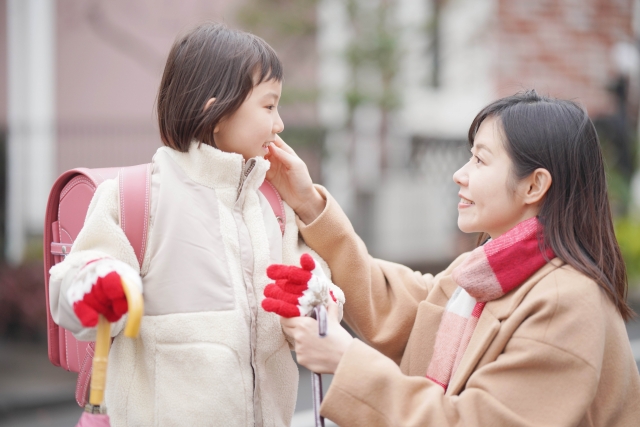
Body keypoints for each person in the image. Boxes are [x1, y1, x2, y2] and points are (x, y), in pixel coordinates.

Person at [262, 90, 640, 426]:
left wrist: (346, 361)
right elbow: (398, 307)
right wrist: (308, 202)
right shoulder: (484, 275)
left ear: (534, 185)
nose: (460, 174)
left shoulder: (565, 303)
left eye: (480, 160)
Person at [48, 23, 342, 426]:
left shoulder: (271, 202)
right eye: (269, 106)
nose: (279, 124)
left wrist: (315, 299)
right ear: (214, 110)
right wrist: (96, 285)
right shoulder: (136, 196)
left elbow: (316, 290)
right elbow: (76, 281)